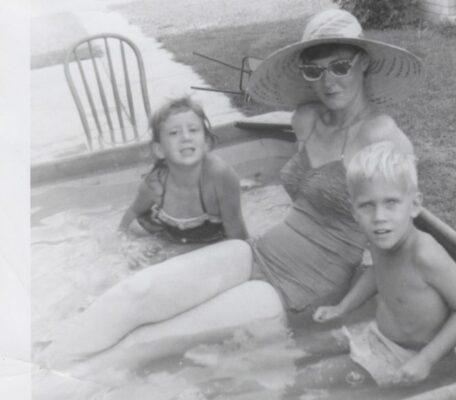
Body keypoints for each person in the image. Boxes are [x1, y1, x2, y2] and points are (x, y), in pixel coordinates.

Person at [52, 9, 426, 364]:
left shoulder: (382, 138)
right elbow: (311, 194)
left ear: (363, 63)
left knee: (141, 346)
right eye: (315, 70)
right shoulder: (306, 119)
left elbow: (402, 236)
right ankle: (39, 368)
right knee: (135, 294)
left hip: (303, 286)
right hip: (258, 251)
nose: (329, 81)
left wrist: (356, 309)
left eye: (340, 66)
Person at [313, 141, 456, 387]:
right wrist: (342, 307)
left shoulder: (424, 254)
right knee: (310, 352)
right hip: (379, 338)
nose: (379, 217)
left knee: (321, 383)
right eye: (367, 205)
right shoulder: (381, 240)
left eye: (391, 203)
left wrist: (426, 360)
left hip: (418, 359)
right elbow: (377, 273)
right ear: (354, 211)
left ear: (414, 205)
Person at [118, 95, 248, 244]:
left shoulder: (220, 176)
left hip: (211, 236)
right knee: (137, 232)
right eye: (174, 133)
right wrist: (128, 247)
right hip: (169, 233)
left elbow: (237, 235)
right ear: (159, 150)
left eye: (193, 130)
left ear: (206, 143)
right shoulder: (156, 183)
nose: (186, 137)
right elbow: (133, 213)